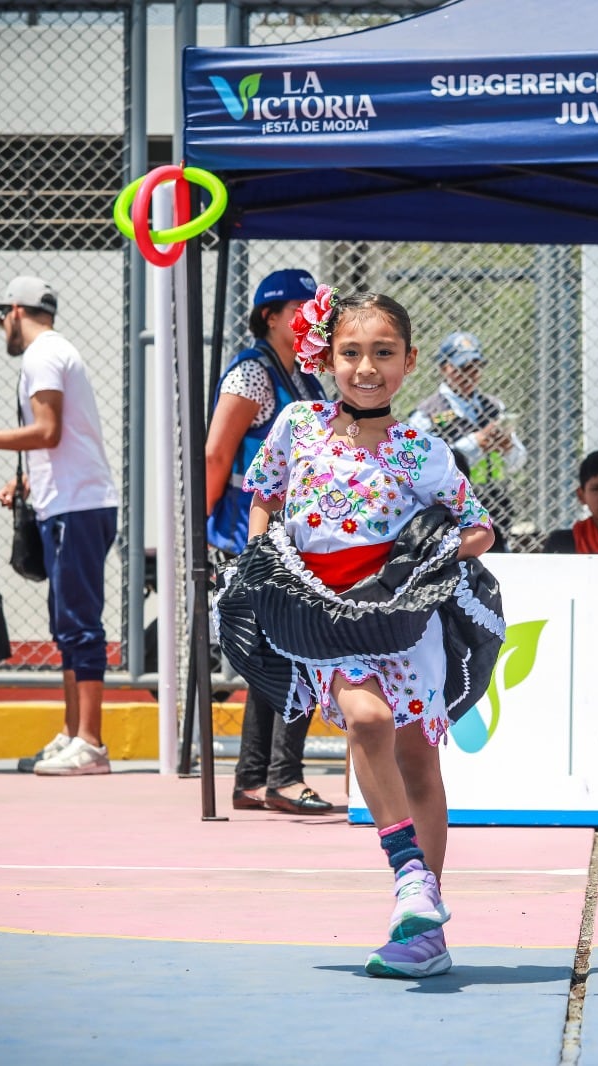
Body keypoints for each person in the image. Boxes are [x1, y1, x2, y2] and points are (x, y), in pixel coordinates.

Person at [217, 288, 503, 978]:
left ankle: (422, 934)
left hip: (401, 618)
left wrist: (438, 554)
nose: (366, 367)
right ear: (327, 356)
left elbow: (480, 526)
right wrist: (263, 565)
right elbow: (264, 494)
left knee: (419, 762)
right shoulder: (298, 425)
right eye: (351, 352)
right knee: (366, 719)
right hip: (325, 615)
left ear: (407, 363)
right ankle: (409, 874)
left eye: (382, 353)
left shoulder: (422, 449)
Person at [0, 276, 121, 776]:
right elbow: (61, 440)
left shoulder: (41, 355)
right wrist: (30, 484)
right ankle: (73, 732)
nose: (1, 329)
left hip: (78, 507)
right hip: (68, 503)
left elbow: (47, 430)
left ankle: (91, 742)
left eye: (0, 320)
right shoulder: (53, 354)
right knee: (67, 625)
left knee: (79, 625)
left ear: (16, 311)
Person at [204, 268, 331, 814]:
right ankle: (282, 775)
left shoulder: (307, 376)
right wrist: (203, 534)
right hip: (248, 534)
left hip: (291, 537)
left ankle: (255, 778)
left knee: (275, 652)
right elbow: (214, 457)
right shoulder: (251, 375)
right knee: (291, 648)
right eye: (299, 308)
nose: (311, 317)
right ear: (270, 316)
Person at [408, 331, 525, 550]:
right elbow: (419, 464)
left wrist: (507, 447)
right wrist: (476, 443)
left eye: (475, 366)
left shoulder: (494, 408)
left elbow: (518, 461)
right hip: (450, 509)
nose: (469, 374)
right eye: (461, 367)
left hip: (494, 505)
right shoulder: (427, 413)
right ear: (444, 368)